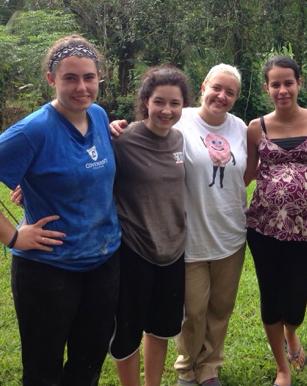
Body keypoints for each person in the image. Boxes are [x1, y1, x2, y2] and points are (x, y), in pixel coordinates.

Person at [0, 35, 121, 386]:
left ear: (99, 78)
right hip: (49, 271)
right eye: (70, 78)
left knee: (88, 363)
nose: (81, 87)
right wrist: (13, 236)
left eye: (89, 77)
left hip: (103, 263)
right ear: (51, 79)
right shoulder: (34, 129)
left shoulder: (98, 115)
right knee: (43, 370)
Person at [111, 63, 247, 386]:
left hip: (204, 239)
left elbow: (246, 171)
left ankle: (207, 369)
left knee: (198, 316)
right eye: (216, 88)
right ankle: (186, 369)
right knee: (185, 313)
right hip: (160, 243)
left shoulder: (229, 129)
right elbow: (94, 166)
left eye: (230, 92)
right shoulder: (148, 131)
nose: (167, 109)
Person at [244, 56, 307, 386]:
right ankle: (283, 368)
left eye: (288, 83)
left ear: (299, 83)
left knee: (295, 304)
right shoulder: (256, 127)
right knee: (271, 298)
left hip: (306, 230)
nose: (283, 90)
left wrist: (305, 185)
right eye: (275, 84)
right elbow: (248, 173)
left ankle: (291, 333)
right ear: (266, 88)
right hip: (263, 228)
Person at [108, 66, 190, 386]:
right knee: (127, 331)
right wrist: (29, 186)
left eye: (175, 103)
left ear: (183, 106)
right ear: (145, 101)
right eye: (159, 102)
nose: (167, 110)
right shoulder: (122, 140)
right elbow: (85, 169)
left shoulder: (179, 139)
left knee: (160, 328)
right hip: (134, 249)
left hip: (173, 250)